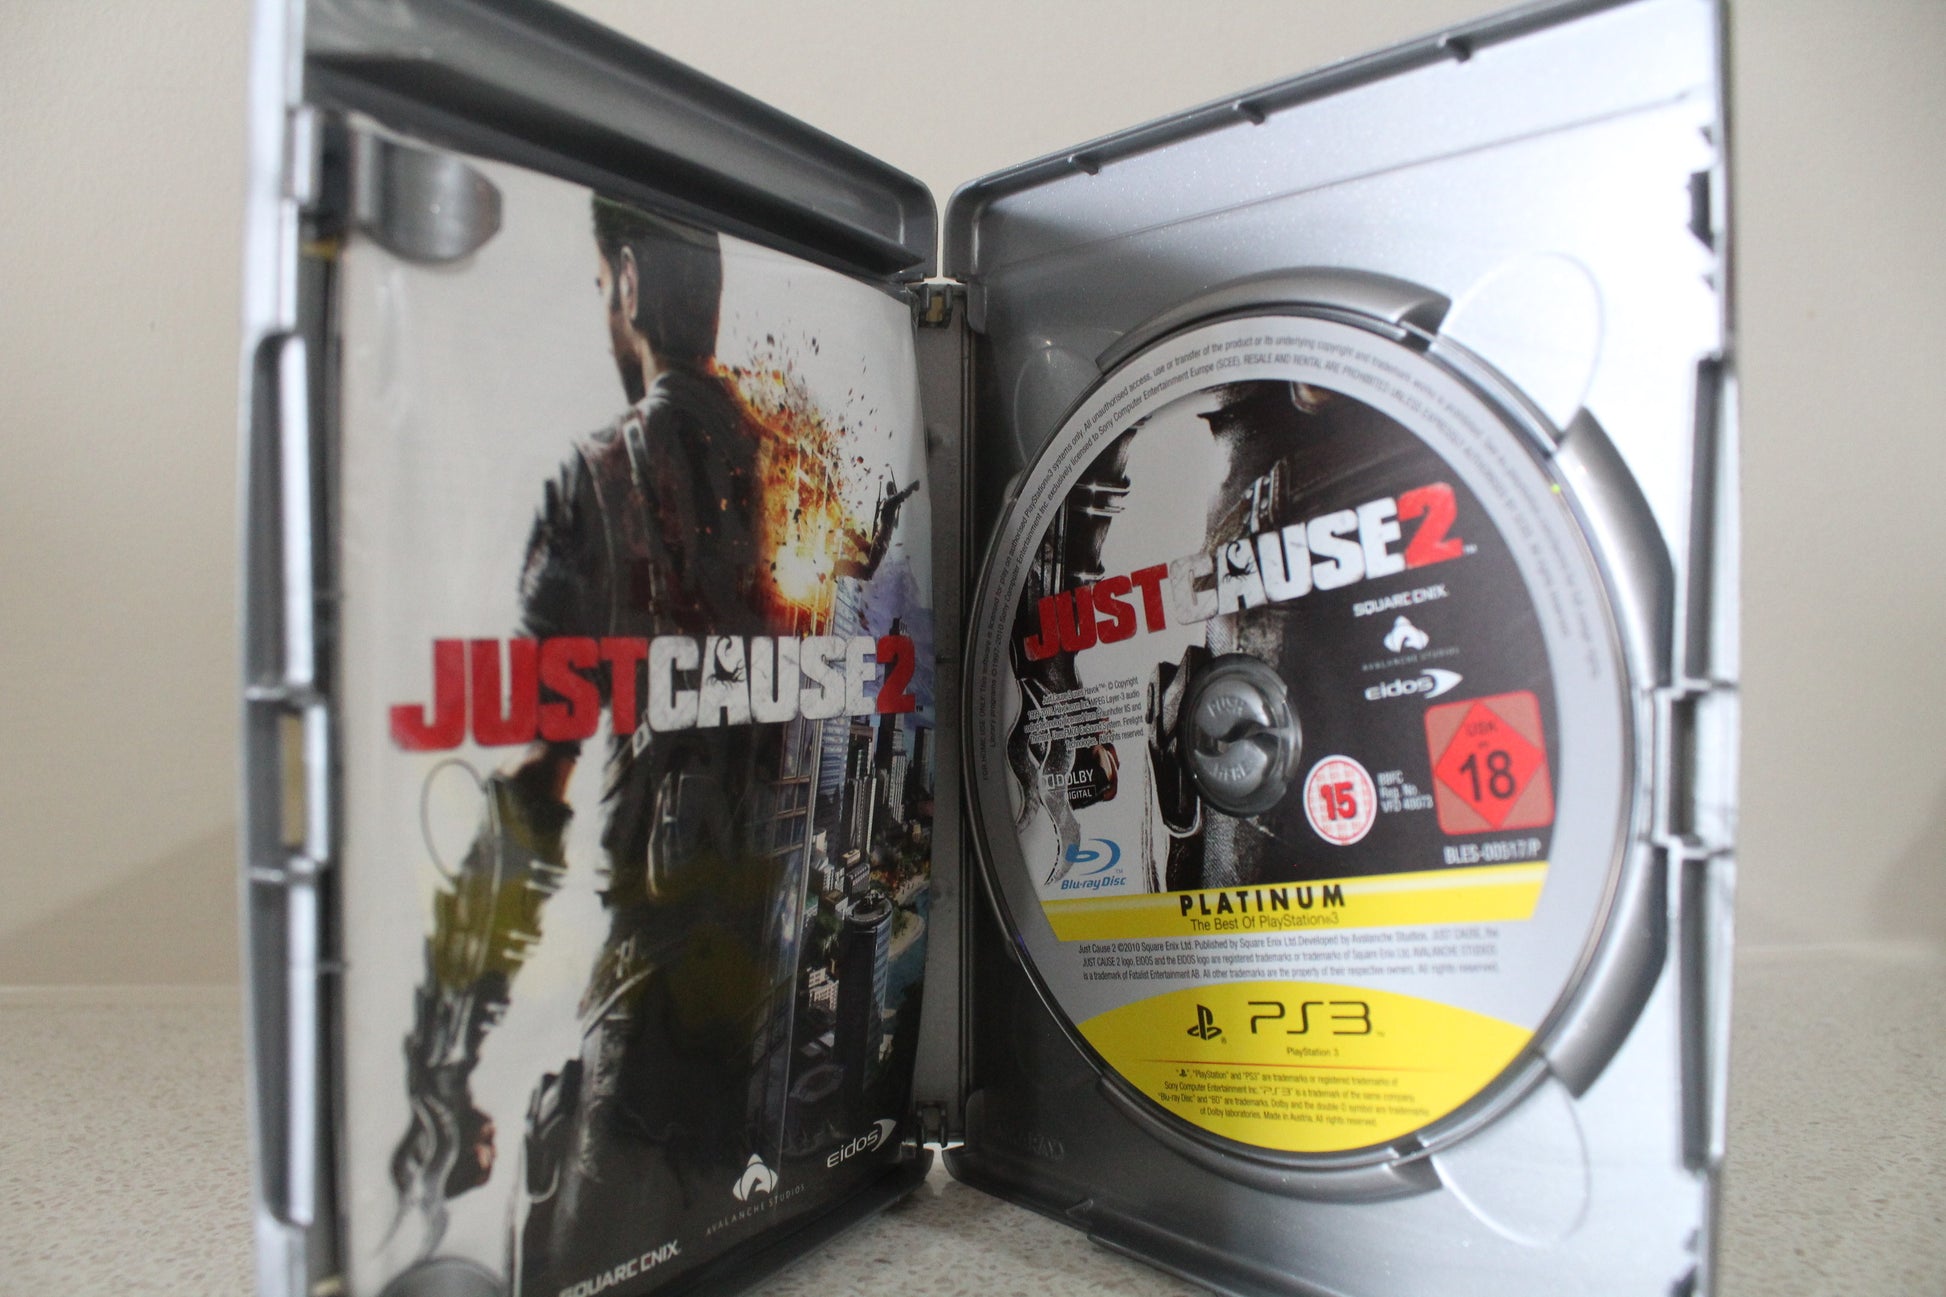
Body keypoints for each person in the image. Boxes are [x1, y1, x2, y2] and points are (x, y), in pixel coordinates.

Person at [386, 198, 910, 1293]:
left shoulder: (602, 478)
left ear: (626, 280)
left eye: (599, 289)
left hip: (654, 1013)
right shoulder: (804, 472)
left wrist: (444, 1058)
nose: (603, 312)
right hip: (775, 1000)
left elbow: (534, 783)